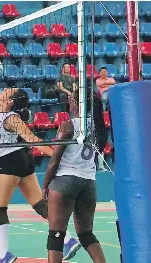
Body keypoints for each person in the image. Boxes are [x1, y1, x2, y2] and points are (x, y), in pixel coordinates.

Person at [0, 46, 81, 263]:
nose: (7, 89)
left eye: (10, 91)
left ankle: (4, 254)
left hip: (11, 161)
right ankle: (68, 240)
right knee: (40, 205)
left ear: (11, 101)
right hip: (22, 160)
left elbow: (33, 139)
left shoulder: (12, 118)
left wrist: (57, 156)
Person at [43, 89, 107, 263]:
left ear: (77, 104)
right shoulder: (98, 127)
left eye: (71, 99)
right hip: (88, 183)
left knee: (56, 234)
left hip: (66, 180)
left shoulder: (68, 125)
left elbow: (54, 163)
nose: (68, 102)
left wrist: (45, 185)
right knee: (86, 233)